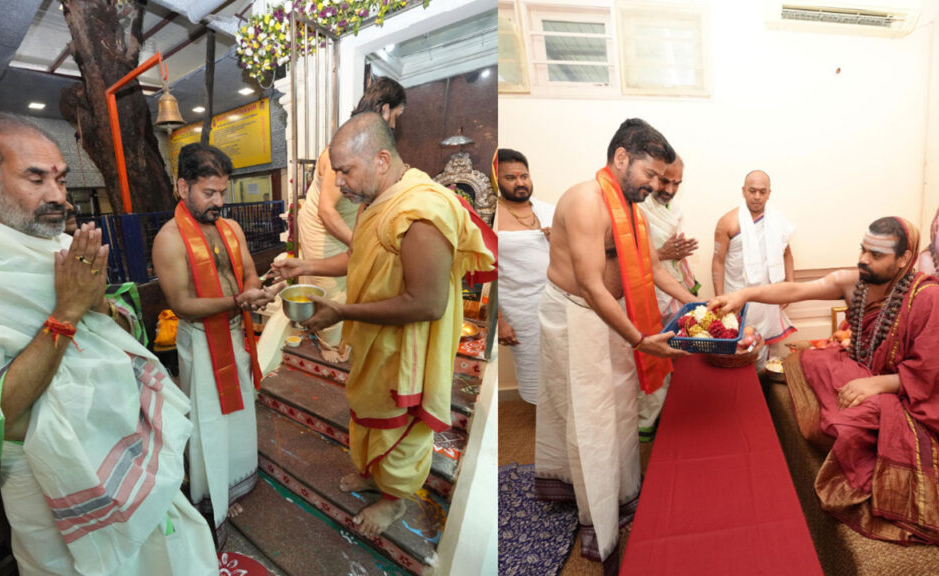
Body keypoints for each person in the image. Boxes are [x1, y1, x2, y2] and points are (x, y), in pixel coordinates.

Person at [0, 112, 217, 574]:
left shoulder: (64, 248)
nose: (57, 196)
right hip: (48, 474)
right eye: (36, 178)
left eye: (61, 178)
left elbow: (125, 328)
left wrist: (97, 307)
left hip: (122, 443)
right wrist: (67, 313)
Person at [272, 113, 493, 538]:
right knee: (367, 412)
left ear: (380, 158)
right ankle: (374, 475)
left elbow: (427, 304)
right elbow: (361, 257)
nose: (338, 183)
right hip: (377, 340)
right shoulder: (378, 201)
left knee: (399, 424)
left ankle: (395, 501)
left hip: (407, 348)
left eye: (344, 171)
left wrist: (342, 312)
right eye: (335, 172)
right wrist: (309, 264)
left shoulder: (422, 210)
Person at [710, 217, 939, 545]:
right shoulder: (858, 282)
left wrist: (878, 384)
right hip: (877, 373)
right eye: (863, 250)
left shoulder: (931, 299)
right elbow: (797, 289)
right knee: (812, 361)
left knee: (849, 422)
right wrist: (743, 295)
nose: (864, 260)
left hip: (917, 397)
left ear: (904, 259)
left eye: (876, 255)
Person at [536, 118, 696, 569]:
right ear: (621, 158)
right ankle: (596, 517)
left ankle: (618, 496)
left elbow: (654, 272)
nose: (656, 185)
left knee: (619, 411)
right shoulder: (586, 202)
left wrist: (702, 304)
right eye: (651, 175)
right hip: (576, 314)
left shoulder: (631, 208)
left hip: (613, 320)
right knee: (589, 418)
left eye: (662, 179)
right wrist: (642, 340)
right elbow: (590, 284)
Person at [152, 143, 280, 544]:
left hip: (237, 335)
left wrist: (255, 290)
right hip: (202, 343)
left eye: (223, 192)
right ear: (182, 186)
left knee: (241, 409)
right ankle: (211, 494)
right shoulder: (169, 239)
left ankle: (240, 476)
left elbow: (248, 272)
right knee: (208, 418)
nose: (218, 202)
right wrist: (238, 301)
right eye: (209, 193)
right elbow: (183, 304)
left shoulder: (231, 228)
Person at [297, 77, 406, 363]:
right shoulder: (344, 149)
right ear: (385, 109)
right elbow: (327, 211)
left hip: (344, 217)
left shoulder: (373, 152)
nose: (395, 125)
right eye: (396, 116)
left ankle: (343, 331)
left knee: (350, 279)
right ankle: (327, 342)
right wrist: (358, 245)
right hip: (323, 223)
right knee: (331, 284)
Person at [634, 154, 700, 441]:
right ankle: (644, 422)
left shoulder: (674, 208)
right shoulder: (636, 207)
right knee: (650, 359)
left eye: (677, 183)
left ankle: (668, 417)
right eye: (665, 181)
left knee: (674, 358)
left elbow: (667, 255)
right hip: (643, 296)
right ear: (652, 174)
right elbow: (624, 259)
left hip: (671, 292)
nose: (670, 189)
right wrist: (664, 255)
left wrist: (676, 256)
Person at [712, 170, 795, 364]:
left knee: (767, 353)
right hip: (738, 296)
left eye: (762, 192)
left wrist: (791, 287)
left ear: (769, 193)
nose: (757, 197)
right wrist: (720, 298)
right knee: (739, 349)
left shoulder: (777, 221)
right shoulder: (727, 222)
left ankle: (763, 390)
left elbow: (787, 254)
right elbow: (718, 261)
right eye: (752, 191)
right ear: (743, 191)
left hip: (769, 297)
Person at [493, 148, 554, 405]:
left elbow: (579, 255)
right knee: (532, 367)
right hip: (518, 308)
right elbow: (488, 273)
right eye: (511, 177)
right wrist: (500, 320)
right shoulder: (491, 217)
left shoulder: (550, 210)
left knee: (563, 363)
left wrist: (561, 240)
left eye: (524, 176)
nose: (520, 183)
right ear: (497, 180)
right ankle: (542, 417)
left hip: (557, 301)